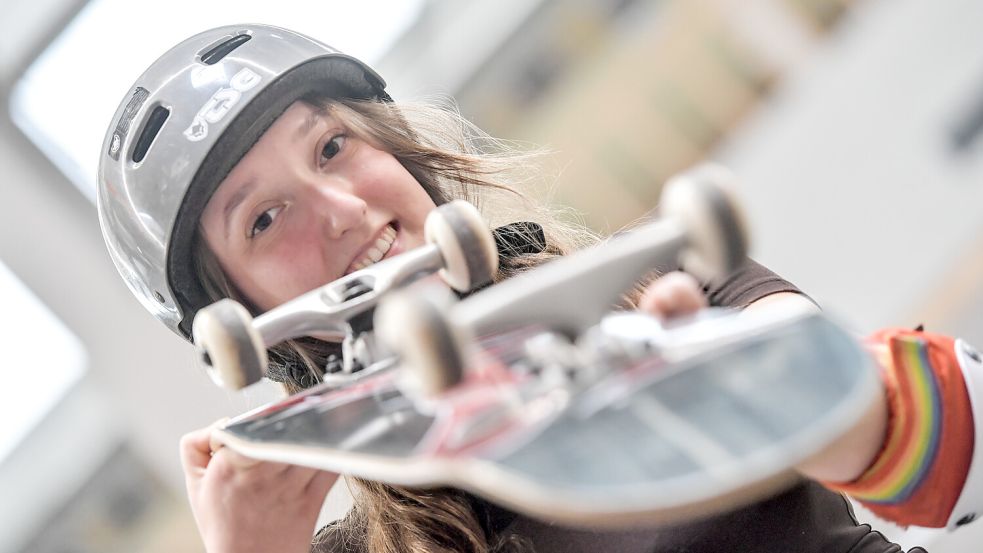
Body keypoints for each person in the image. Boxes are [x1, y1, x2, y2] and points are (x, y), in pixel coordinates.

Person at [96, 24, 981, 553]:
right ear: (239, 325)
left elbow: (966, 454)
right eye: (263, 219)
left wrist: (803, 400)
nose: (334, 209)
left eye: (333, 147)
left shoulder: (656, 290)